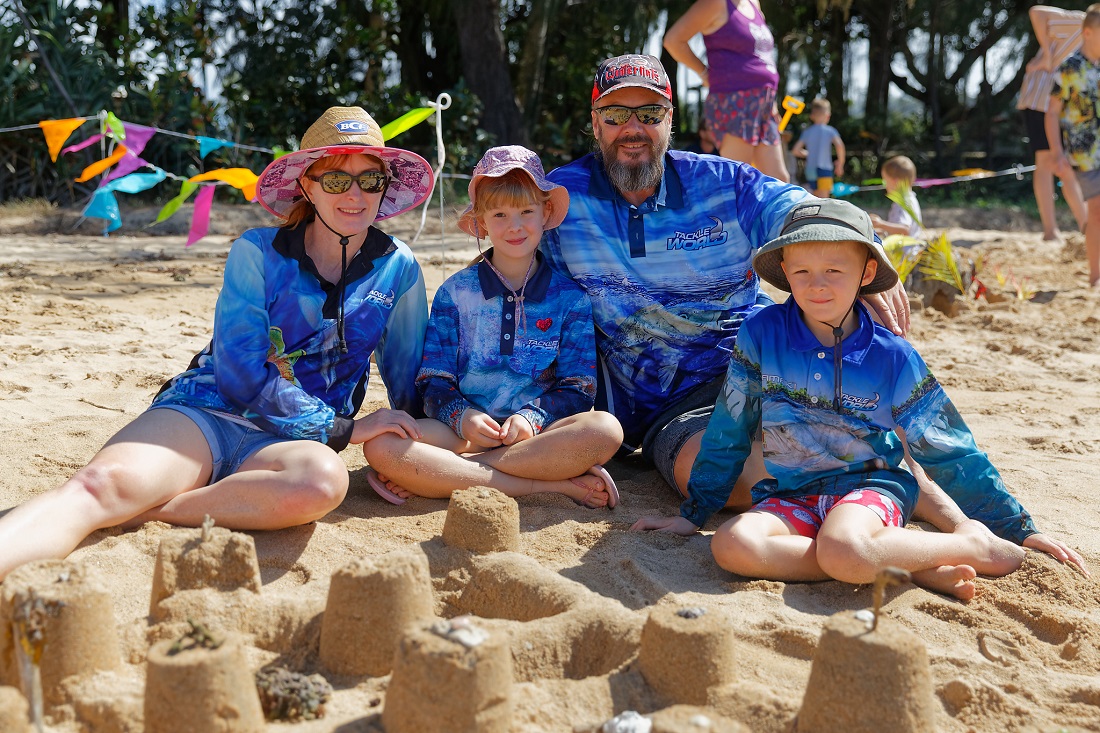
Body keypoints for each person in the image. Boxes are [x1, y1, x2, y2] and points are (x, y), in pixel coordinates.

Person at [0, 106, 435, 580]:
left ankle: (160, 509)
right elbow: (240, 373)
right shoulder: (257, 251)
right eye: (335, 180)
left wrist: (404, 458)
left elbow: (407, 372)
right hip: (207, 411)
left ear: (384, 188)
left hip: (291, 446)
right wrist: (347, 430)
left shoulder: (399, 267)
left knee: (322, 483)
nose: (354, 194)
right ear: (307, 186)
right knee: (98, 489)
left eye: (369, 180)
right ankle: (129, 502)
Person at [633, 199, 1089, 599]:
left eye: (834, 270)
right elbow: (730, 428)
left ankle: (973, 545)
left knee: (845, 546)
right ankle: (913, 567)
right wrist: (694, 515)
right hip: (793, 492)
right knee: (731, 544)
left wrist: (1018, 529)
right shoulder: (761, 333)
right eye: (803, 271)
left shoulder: (893, 356)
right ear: (785, 271)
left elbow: (951, 449)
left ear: (866, 272)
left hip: (870, 489)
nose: (818, 285)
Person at [543, 53, 912, 513]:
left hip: (758, 363)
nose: (632, 128)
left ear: (670, 119)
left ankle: (879, 496)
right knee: (727, 483)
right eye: (616, 115)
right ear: (595, 124)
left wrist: (859, 245)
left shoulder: (723, 182)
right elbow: (508, 265)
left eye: (650, 114)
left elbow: (796, 209)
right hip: (664, 403)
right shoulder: (559, 197)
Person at [362, 146, 623, 508]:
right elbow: (433, 382)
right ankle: (552, 485)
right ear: (481, 222)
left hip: (537, 438)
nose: (514, 226)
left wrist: (532, 418)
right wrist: (462, 416)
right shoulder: (455, 293)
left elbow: (579, 389)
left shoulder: (571, 299)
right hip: (463, 434)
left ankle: (453, 473)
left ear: (546, 213)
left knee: (605, 430)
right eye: (499, 214)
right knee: (382, 445)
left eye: (526, 212)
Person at [663, 0, 790, 181]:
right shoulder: (715, 3)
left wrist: (772, 103)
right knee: (739, 178)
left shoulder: (753, 3)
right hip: (736, 99)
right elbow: (673, 40)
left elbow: (761, 57)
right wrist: (704, 73)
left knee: (779, 179)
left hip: (764, 102)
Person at [1018, 4, 1087, 241]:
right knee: (1048, 160)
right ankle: (1051, 230)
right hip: (1042, 99)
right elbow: (1036, 12)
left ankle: (1087, 227)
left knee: (1066, 164)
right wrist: (1047, 54)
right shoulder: (1083, 23)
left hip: (1066, 108)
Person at [1048, 4, 1100, 289]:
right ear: (1089, 33)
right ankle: (1096, 276)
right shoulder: (1069, 67)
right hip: (1084, 154)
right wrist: (1057, 152)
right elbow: (1052, 111)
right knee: (1097, 210)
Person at [791, 98, 845, 198]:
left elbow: (795, 150)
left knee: (814, 200)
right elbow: (839, 146)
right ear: (828, 116)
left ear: (812, 116)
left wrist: (808, 154)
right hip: (824, 170)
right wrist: (840, 164)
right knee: (824, 201)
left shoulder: (807, 132)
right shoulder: (830, 131)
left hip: (810, 170)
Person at [870, 155, 924, 239]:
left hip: (904, 252)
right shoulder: (909, 199)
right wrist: (881, 229)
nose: (885, 185)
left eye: (885, 181)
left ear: (896, 182)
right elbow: (897, 228)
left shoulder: (904, 203)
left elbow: (905, 230)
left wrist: (881, 224)